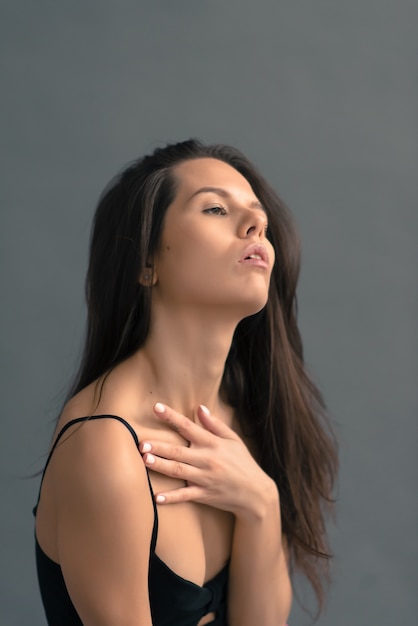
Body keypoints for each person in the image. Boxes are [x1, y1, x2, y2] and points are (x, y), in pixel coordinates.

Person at [33, 139, 337, 626]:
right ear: (145, 264)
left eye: (257, 215)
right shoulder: (107, 448)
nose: (256, 224)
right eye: (216, 208)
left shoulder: (242, 417)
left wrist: (261, 503)